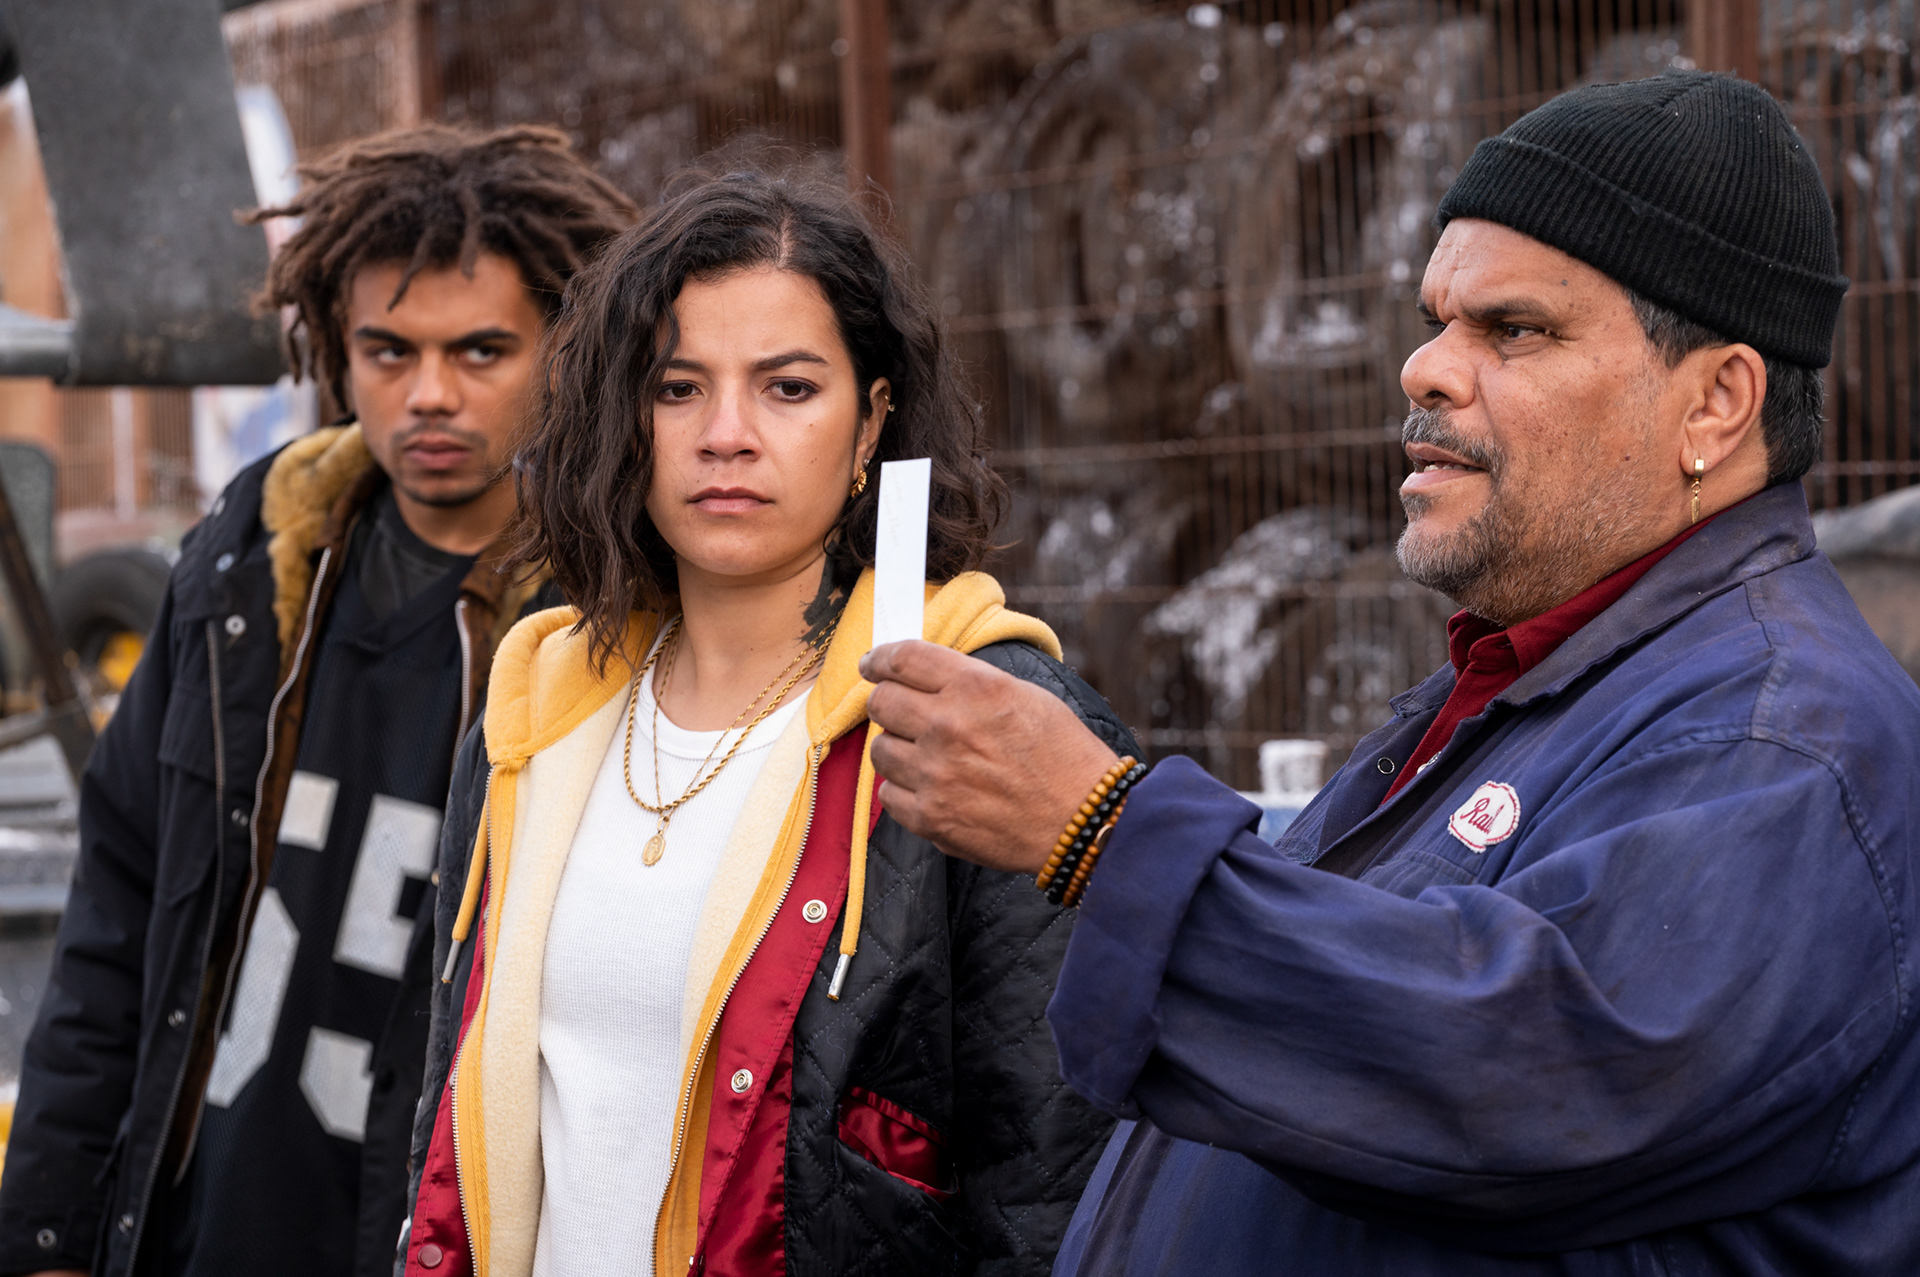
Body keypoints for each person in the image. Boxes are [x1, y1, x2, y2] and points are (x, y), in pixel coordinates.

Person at [860, 71, 1920, 1274]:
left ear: (1717, 403)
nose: (1426, 367)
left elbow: (1513, 1080)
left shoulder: (1782, 739)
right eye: (1437, 319)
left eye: (1514, 330)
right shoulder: (1532, 681)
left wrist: (1105, 831)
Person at [398, 168, 1129, 1277]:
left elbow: (1058, 1191)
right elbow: (451, 1126)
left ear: (872, 419)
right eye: (678, 388)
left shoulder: (979, 721)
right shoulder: (536, 714)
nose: (726, 434)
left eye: (788, 388)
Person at [0, 126, 635, 1277]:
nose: (429, 394)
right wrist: (49, 1231)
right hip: (194, 1225)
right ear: (338, 351)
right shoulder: (244, 568)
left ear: (564, 350)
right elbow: (116, 922)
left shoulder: (609, 628)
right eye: (389, 350)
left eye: (481, 350)